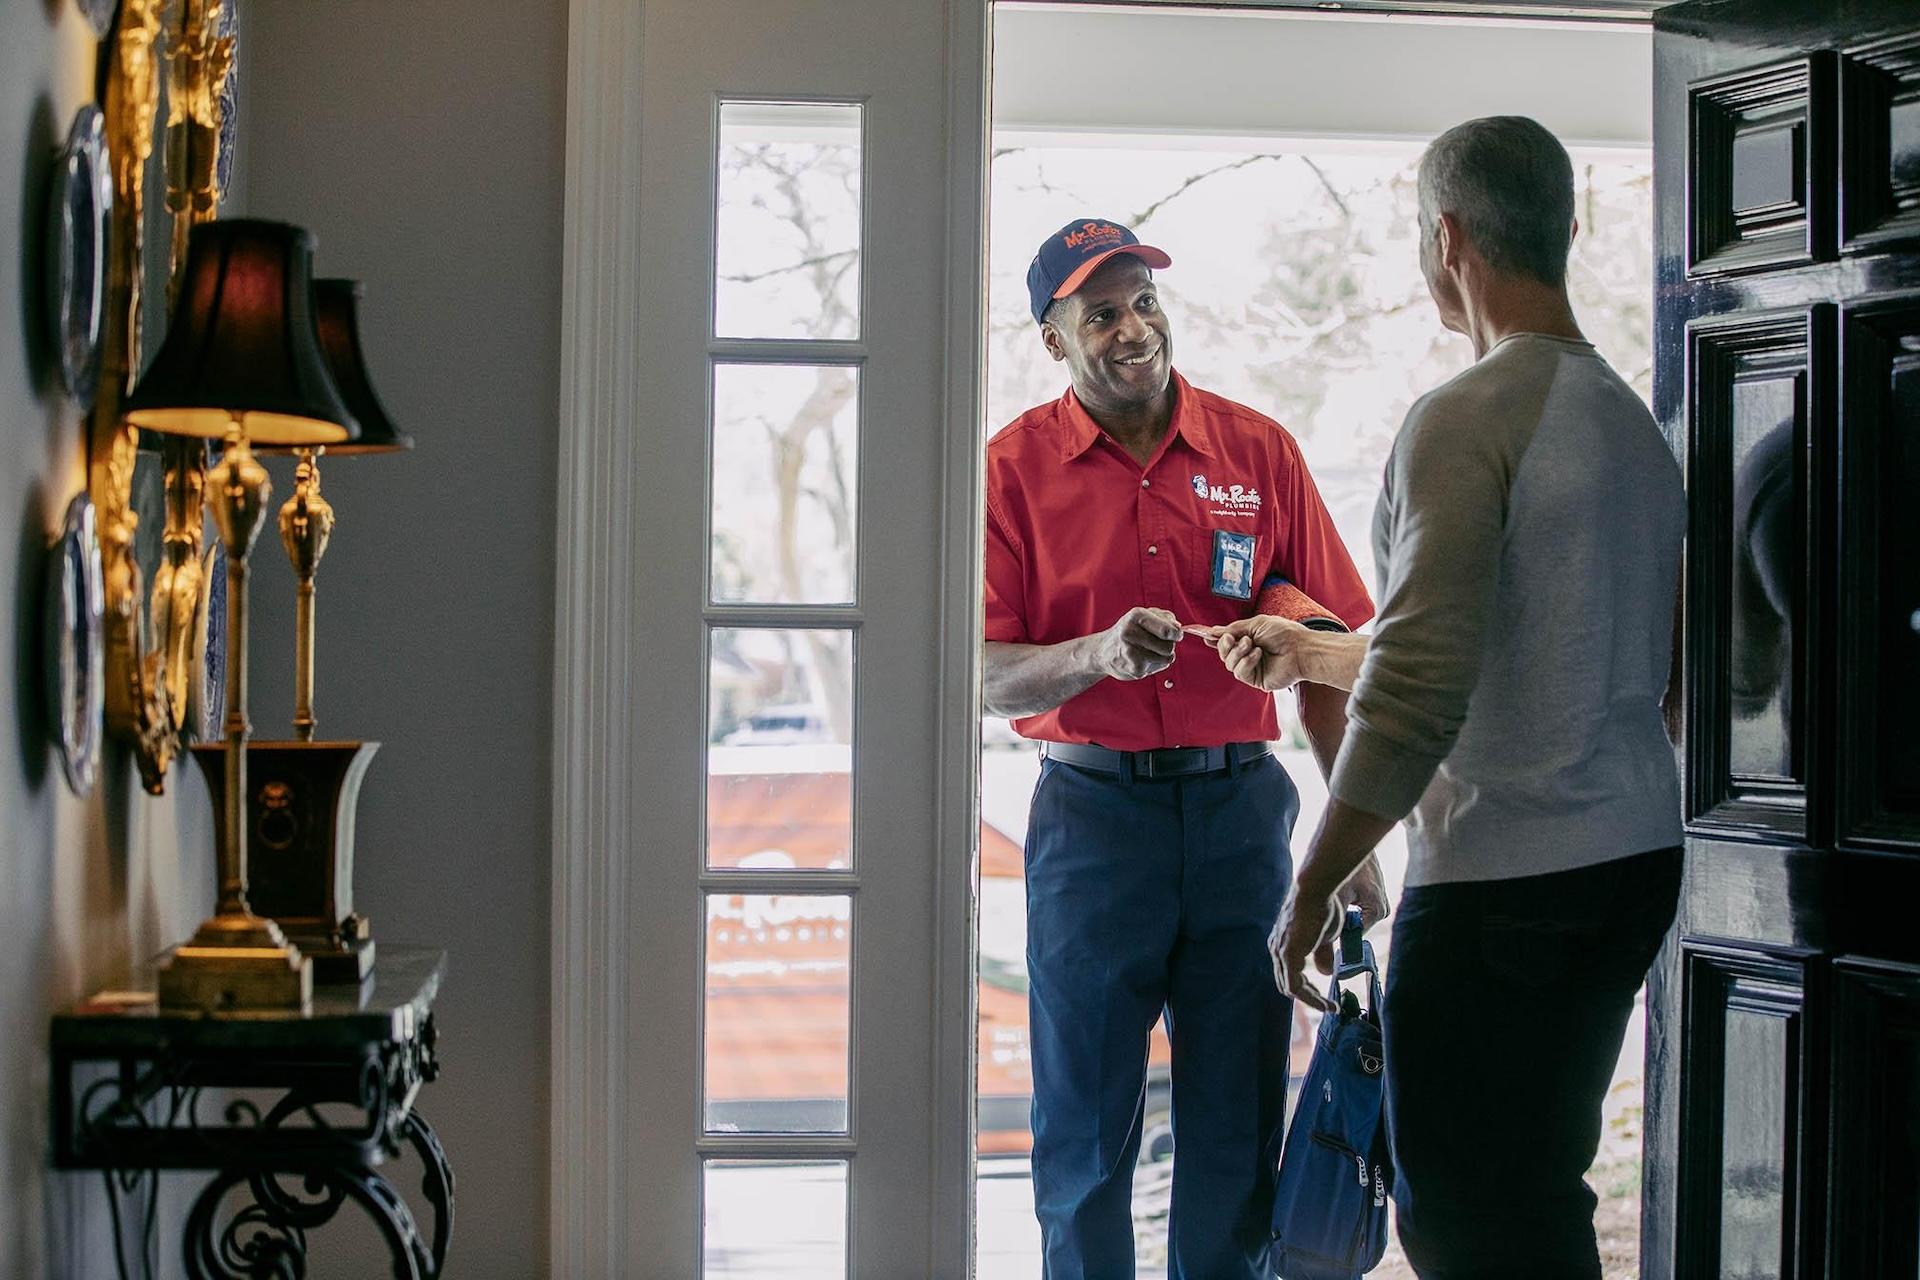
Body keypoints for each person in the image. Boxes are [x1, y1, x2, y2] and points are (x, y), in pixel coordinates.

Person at [1215, 117, 1685, 1279]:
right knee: (1533, 1189)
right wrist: (1319, 654)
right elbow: (1569, 655)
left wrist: (1314, 883)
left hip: (1504, 886)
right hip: (1629, 860)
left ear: (1449, 237)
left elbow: (1426, 687)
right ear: (1565, 230)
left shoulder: (1466, 415)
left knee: (1468, 1217)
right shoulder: (1633, 427)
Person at [983, 215, 1386, 1279]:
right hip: (1090, 824)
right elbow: (976, 671)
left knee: (1236, 1122)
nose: (1132, 328)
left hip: (1239, 813)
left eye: (1144, 301)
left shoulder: (1259, 451)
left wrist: (1355, 839)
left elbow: (1342, 657)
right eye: (1100, 312)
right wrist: (1093, 655)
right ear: (1054, 340)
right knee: (1084, 1129)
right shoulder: (1009, 469)